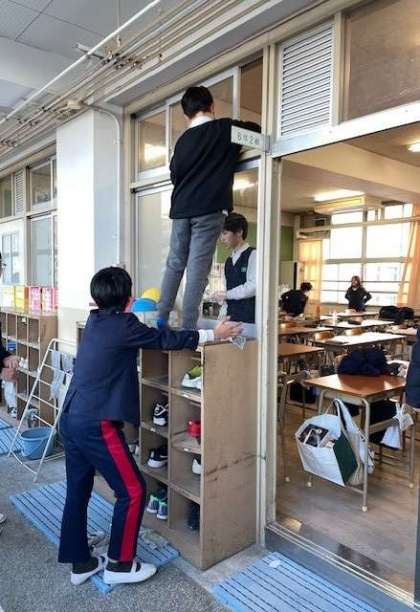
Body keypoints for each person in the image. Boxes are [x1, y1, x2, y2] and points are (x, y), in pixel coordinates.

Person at [58, 266, 241, 586]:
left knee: (78, 489)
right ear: (130, 300)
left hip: (71, 417)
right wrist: (215, 334)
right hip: (96, 424)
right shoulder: (125, 324)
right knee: (132, 490)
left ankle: (81, 563)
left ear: (96, 299)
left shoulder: (95, 320)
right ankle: (120, 565)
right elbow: (165, 339)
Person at [157, 85, 260, 330]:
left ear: (186, 115)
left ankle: (161, 317)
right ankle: (188, 329)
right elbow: (256, 132)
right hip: (209, 209)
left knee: (175, 263)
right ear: (212, 106)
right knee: (197, 269)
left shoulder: (182, 142)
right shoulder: (225, 129)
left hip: (180, 209)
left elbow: (174, 175)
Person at [214, 213, 256, 324]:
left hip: (249, 320)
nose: (222, 238)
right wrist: (221, 318)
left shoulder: (253, 254)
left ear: (239, 232)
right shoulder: (228, 261)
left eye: (225, 233)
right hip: (231, 319)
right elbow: (227, 294)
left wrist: (227, 294)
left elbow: (253, 287)